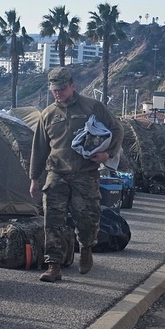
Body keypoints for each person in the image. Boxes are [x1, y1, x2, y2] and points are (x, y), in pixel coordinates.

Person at [29, 67, 124, 282]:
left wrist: (107, 154)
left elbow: (117, 130)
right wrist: (34, 179)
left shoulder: (92, 107)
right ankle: (53, 265)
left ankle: (87, 249)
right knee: (53, 221)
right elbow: (39, 148)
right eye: (55, 90)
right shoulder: (48, 114)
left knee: (87, 218)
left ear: (72, 86)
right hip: (56, 174)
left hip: (85, 174)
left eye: (62, 89)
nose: (58, 93)